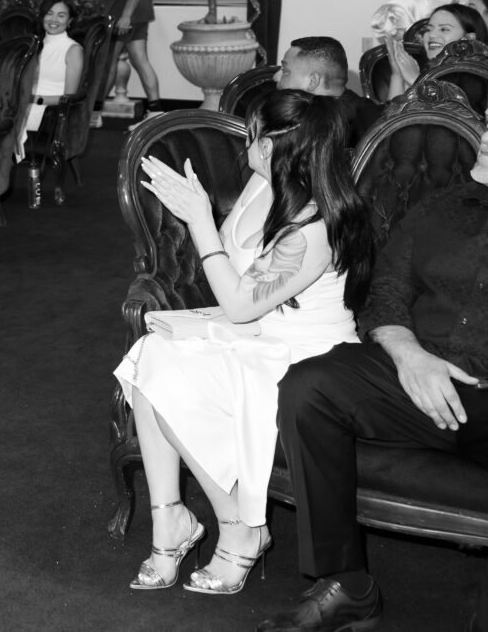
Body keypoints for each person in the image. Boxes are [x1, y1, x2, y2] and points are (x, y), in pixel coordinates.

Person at [266, 81, 488, 632]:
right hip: (420, 381)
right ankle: (346, 583)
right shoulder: (445, 205)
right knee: (312, 385)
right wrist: (409, 353)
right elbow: (384, 291)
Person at [115, 91, 374, 599]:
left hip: (304, 357)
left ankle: (239, 527)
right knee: (151, 353)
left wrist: (200, 220)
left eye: (255, 132)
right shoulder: (267, 185)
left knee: (160, 371)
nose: (246, 140)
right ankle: (169, 520)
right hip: (257, 335)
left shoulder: (317, 224)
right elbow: (237, 289)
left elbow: (239, 303)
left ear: (278, 146)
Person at [275, 36, 382, 148]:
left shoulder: (318, 131)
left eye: (285, 71)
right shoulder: (368, 111)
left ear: (312, 81)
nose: (276, 77)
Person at [17, 0, 84, 159]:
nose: (54, 20)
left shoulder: (73, 49)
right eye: (49, 13)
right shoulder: (32, 45)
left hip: (50, 112)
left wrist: (36, 99)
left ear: (70, 21)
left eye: (61, 15)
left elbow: (69, 97)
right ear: (42, 17)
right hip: (25, 102)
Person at [384, 2, 488, 94]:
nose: (431, 35)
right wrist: (397, 75)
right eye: (429, 29)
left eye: (444, 29)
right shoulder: (423, 69)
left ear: (468, 38)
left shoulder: (475, 77)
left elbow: (450, 115)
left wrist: (415, 80)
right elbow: (390, 116)